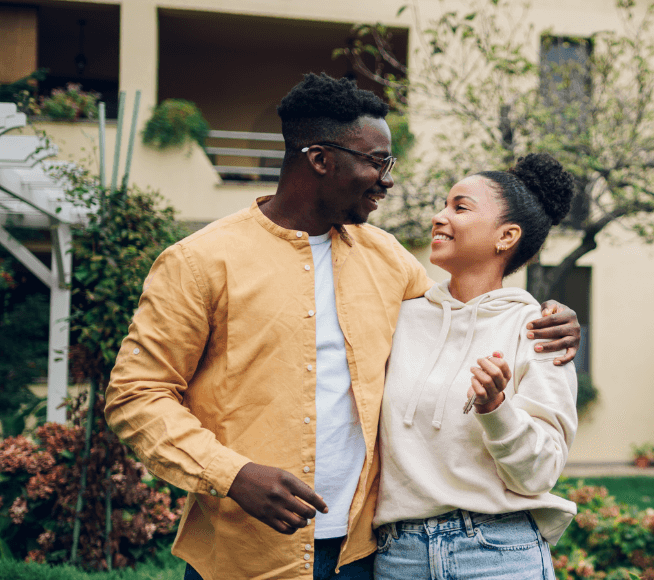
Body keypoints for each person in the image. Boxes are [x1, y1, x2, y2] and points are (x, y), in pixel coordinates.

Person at [104, 73, 579, 580]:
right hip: (244, 554)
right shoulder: (199, 262)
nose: (388, 179)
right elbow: (137, 396)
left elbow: (465, 312)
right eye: (376, 162)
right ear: (321, 160)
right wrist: (233, 473)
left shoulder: (391, 262)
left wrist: (553, 320)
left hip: (364, 556)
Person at [372, 153, 578, 580]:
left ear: (506, 236)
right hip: (399, 556)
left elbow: (540, 474)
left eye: (459, 207)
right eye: (443, 205)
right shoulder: (399, 318)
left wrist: (496, 410)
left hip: (497, 553)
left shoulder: (538, 330)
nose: (439, 216)